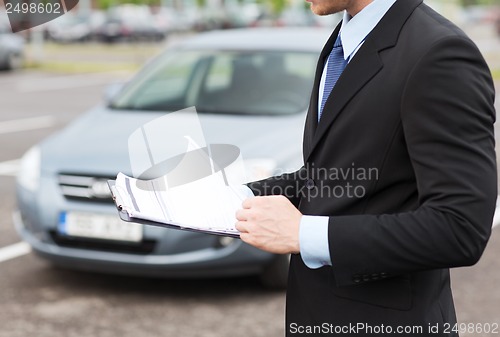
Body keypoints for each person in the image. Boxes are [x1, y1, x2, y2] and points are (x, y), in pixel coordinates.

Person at [235, 0, 497, 336]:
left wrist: (303, 234)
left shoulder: (440, 52)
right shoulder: (342, 41)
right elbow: (332, 172)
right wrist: (237, 196)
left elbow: (461, 228)